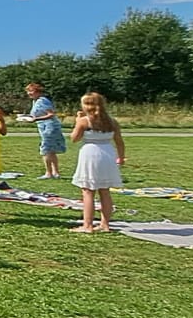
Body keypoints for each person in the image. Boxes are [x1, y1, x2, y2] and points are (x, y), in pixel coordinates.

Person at [70, 92, 126, 233]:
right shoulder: (112, 121)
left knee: (88, 191)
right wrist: (121, 157)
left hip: (90, 152)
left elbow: (74, 138)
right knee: (105, 191)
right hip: (108, 152)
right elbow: (119, 142)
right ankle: (105, 224)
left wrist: (77, 122)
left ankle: (87, 225)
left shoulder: (84, 121)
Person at [25, 83, 66, 179]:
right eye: (28, 91)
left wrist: (36, 119)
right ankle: (55, 172)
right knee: (51, 150)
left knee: (45, 150)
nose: (29, 93)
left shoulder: (42, 101)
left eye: (31, 91)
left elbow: (51, 114)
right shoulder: (36, 101)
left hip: (49, 127)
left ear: (38, 92)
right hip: (44, 127)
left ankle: (49, 173)